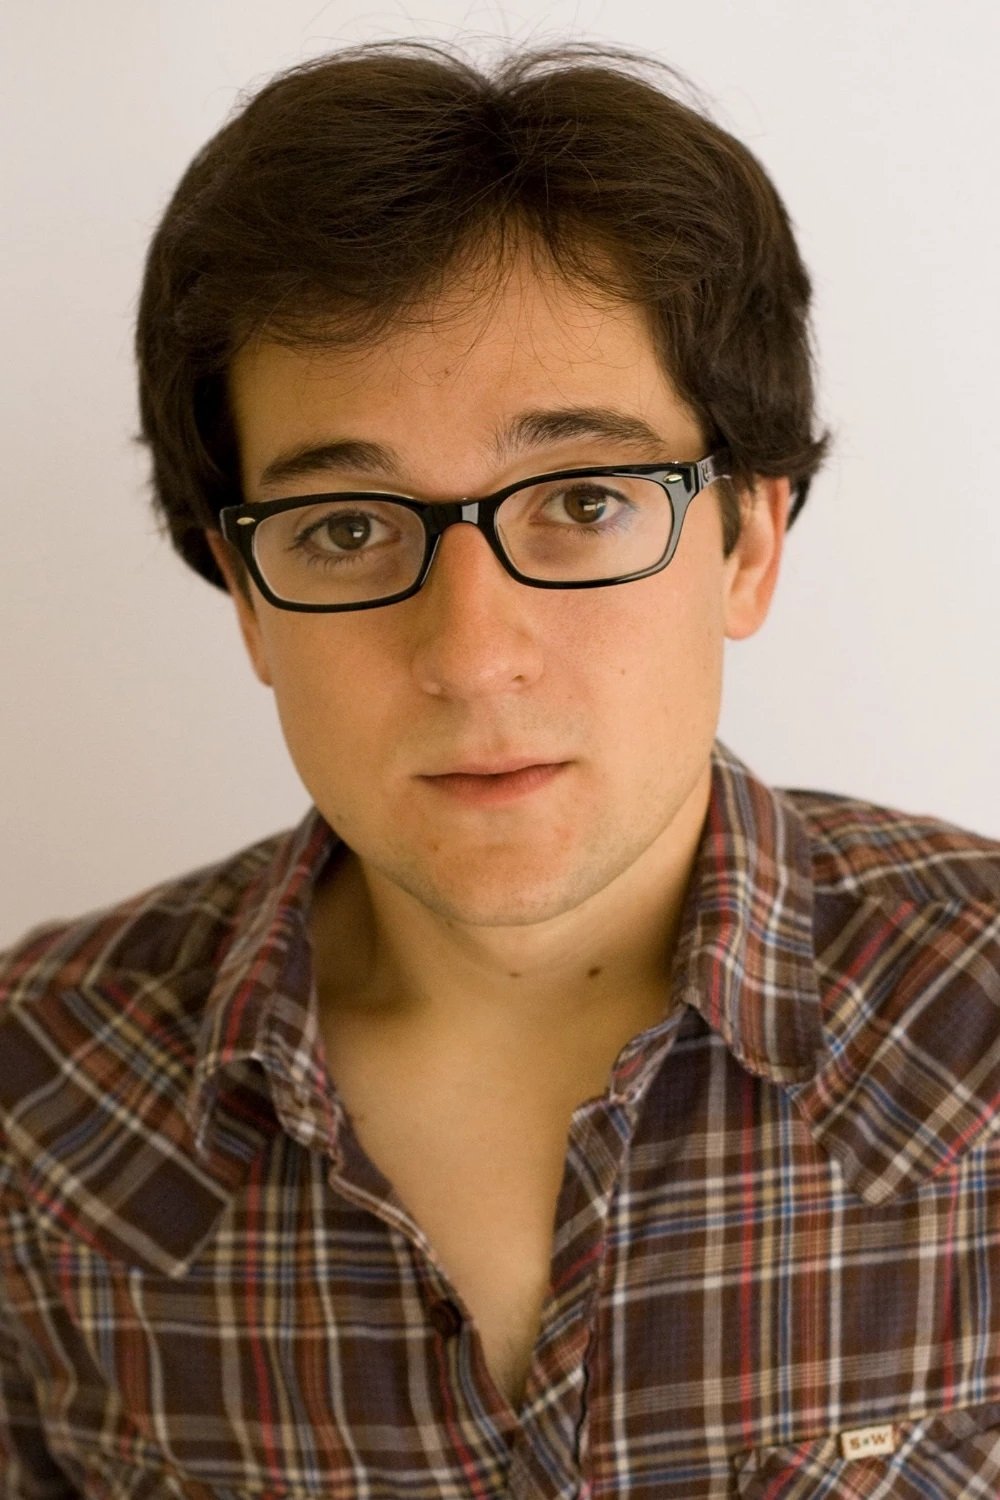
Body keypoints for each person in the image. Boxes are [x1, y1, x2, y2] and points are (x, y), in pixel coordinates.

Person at [2, 39, 999, 1500]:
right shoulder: (37, 1095)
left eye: (584, 501)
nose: (472, 656)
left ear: (749, 540)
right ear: (249, 598)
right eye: (347, 528)